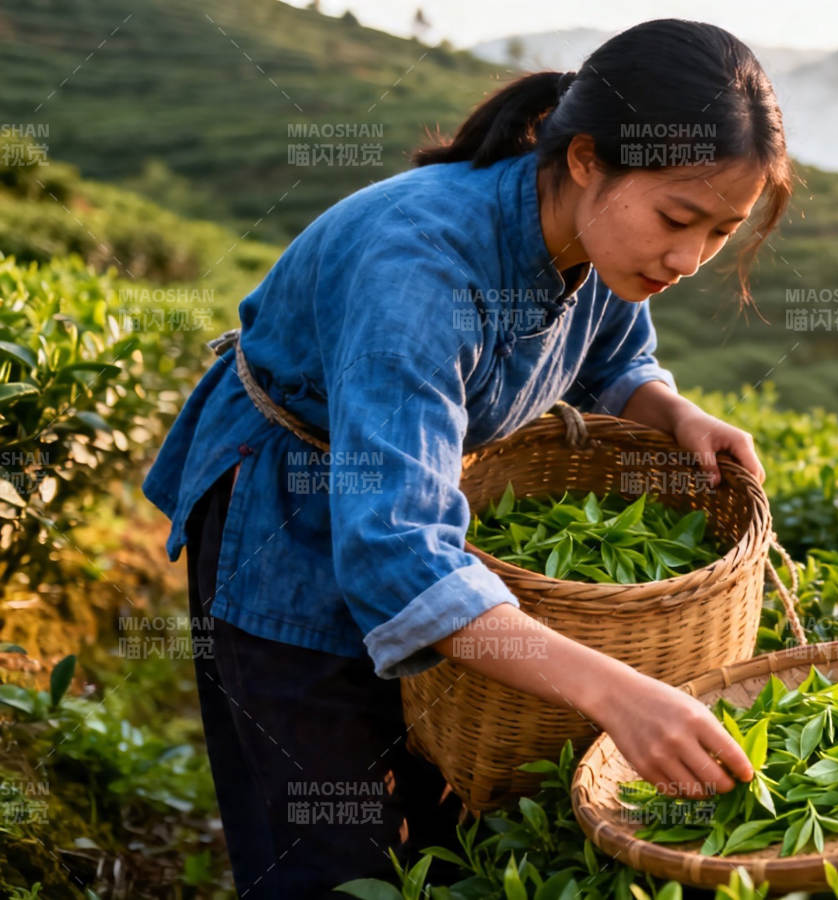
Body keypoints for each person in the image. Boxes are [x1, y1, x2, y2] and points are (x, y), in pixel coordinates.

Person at [141, 18, 795, 896]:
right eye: (678, 218)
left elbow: (611, 360)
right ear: (585, 160)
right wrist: (620, 696)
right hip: (287, 520)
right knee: (329, 840)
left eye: (721, 232)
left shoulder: (599, 246)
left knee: (439, 819)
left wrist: (672, 413)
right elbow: (401, 558)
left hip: (414, 506)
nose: (688, 259)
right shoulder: (418, 270)